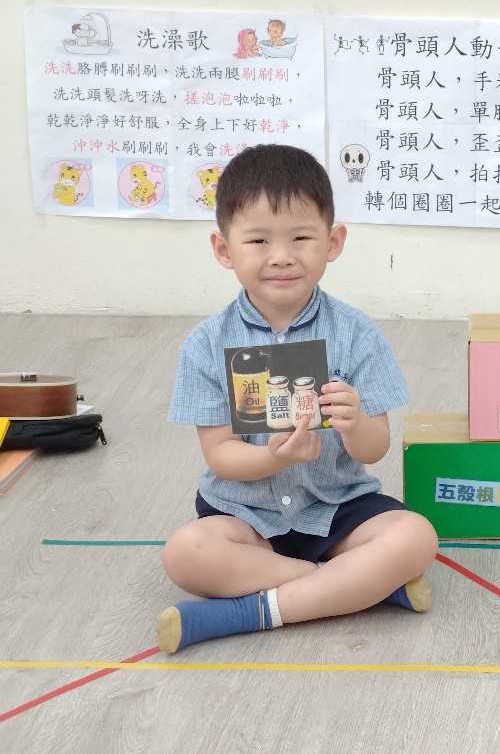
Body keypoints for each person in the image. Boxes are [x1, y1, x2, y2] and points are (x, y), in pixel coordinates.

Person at [157, 144, 438, 654]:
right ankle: (356, 587)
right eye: (258, 240)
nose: (281, 256)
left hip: (338, 505)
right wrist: (272, 457)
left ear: (333, 242)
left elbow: (375, 448)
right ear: (224, 249)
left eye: (301, 237)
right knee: (186, 552)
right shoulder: (206, 344)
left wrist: (355, 422)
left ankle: (250, 611)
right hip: (245, 514)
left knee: (415, 536)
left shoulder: (357, 334)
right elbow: (220, 455)